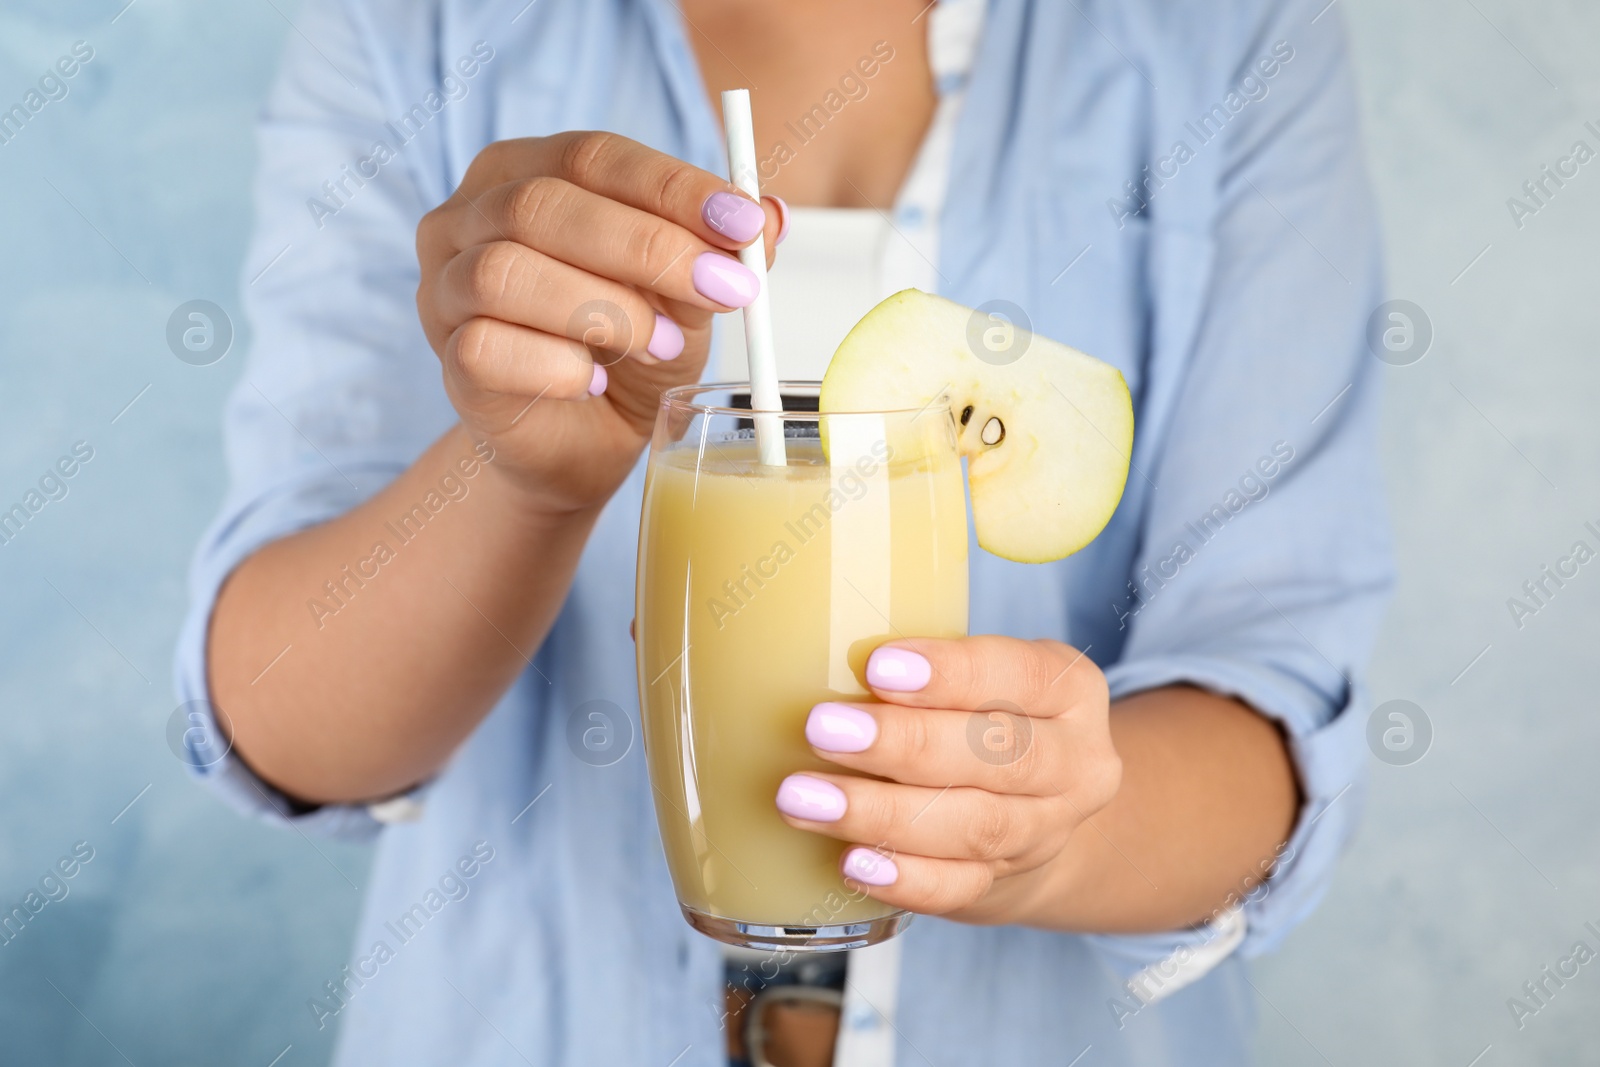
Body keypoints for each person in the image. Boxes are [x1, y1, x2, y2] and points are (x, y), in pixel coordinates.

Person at [175, 0, 1393, 1064]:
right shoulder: (423, 24)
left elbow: (1270, 685)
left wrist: (1041, 847)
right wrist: (517, 481)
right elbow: (278, 717)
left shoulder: (1222, 27)